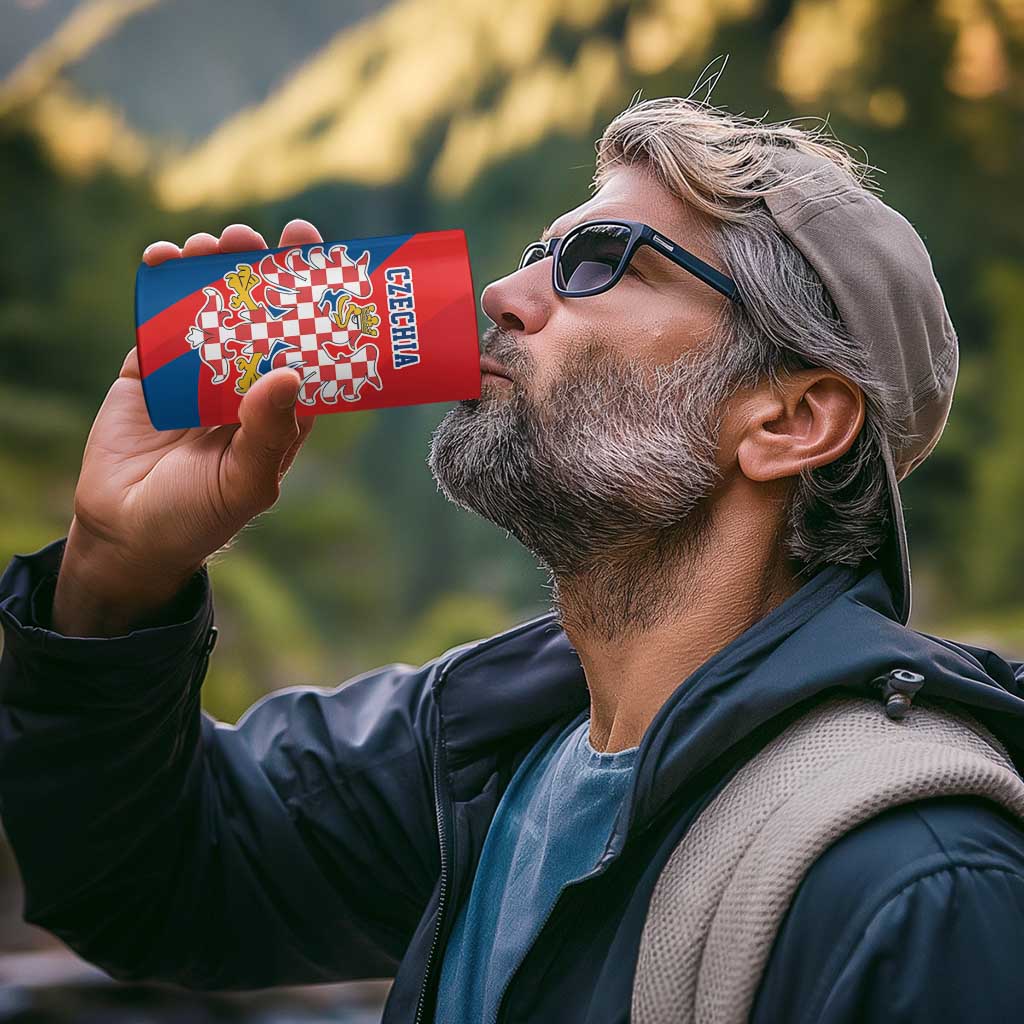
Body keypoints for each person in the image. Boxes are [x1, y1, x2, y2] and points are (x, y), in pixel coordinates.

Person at [2, 94, 1024, 1024]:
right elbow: (149, 880)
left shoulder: (918, 887)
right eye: (541, 252)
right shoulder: (482, 747)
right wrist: (115, 574)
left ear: (790, 421)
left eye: (601, 261)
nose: (502, 292)